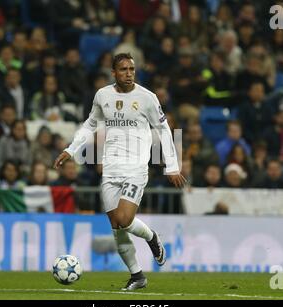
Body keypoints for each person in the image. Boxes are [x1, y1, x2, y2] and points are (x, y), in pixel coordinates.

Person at [54, 53, 186, 291]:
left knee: (125, 219)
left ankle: (151, 237)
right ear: (113, 72)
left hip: (135, 167)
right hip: (111, 168)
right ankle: (137, 276)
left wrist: (172, 166)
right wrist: (71, 150)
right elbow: (91, 124)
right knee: (117, 226)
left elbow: (164, 130)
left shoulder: (147, 97)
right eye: (123, 69)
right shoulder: (102, 95)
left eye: (132, 69)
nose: (128, 73)